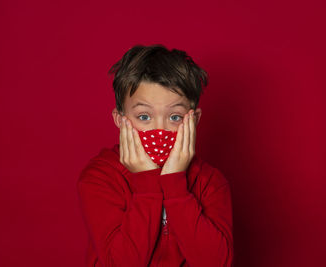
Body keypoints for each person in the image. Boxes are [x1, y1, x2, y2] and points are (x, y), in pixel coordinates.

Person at [77, 44, 234, 266]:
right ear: (120, 120)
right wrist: (147, 184)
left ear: (194, 120)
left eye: (175, 117)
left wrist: (174, 183)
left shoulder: (210, 182)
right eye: (143, 117)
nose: (159, 130)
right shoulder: (100, 177)